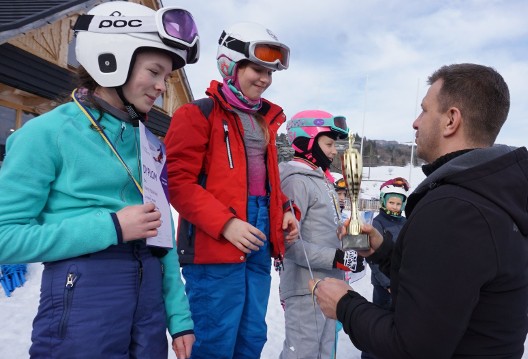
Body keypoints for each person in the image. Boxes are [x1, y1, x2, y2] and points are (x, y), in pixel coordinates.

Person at [0, 2, 199, 358]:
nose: (161, 88)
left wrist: (179, 317)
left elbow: (162, 232)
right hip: (83, 307)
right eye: (154, 72)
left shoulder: (149, 145)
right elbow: (5, 237)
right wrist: (111, 227)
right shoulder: (47, 133)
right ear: (112, 58)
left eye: (165, 78)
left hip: (149, 310)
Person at [310, 63, 528, 358]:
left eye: (424, 110)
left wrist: (345, 305)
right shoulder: (487, 195)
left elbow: (413, 347)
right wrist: (384, 251)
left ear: (451, 120)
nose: (415, 123)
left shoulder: (456, 209)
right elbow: (446, 280)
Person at [164, 22, 298, 359]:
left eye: (270, 72)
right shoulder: (197, 114)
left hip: (258, 235)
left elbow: (266, 184)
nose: (265, 79)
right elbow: (178, 184)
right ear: (231, 64)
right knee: (215, 338)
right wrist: (226, 223)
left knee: (252, 334)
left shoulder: (263, 121)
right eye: (257, 68)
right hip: (215, 242)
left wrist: (283, 211)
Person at [278, 110, 366, 359]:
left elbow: (327, 231)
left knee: (325, 352)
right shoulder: (296, 181)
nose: (333, 151)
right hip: (305, 287)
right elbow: (288, 244)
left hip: (329, 285)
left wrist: (354, 243)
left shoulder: (323, 181)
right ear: (306, 141)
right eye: (328, 144)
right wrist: (338, 257)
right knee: (303, 354)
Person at [361, 177, 409, 359]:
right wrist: (387, 283)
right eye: (391, 202)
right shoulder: (378, 223)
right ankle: (370, 355)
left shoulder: (405, 222)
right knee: (380, 321)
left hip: (402, 283)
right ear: (383, 201)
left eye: (398, 203)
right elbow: (373, 258)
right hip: (384, 285)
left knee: (399, 323)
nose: (395, 207)